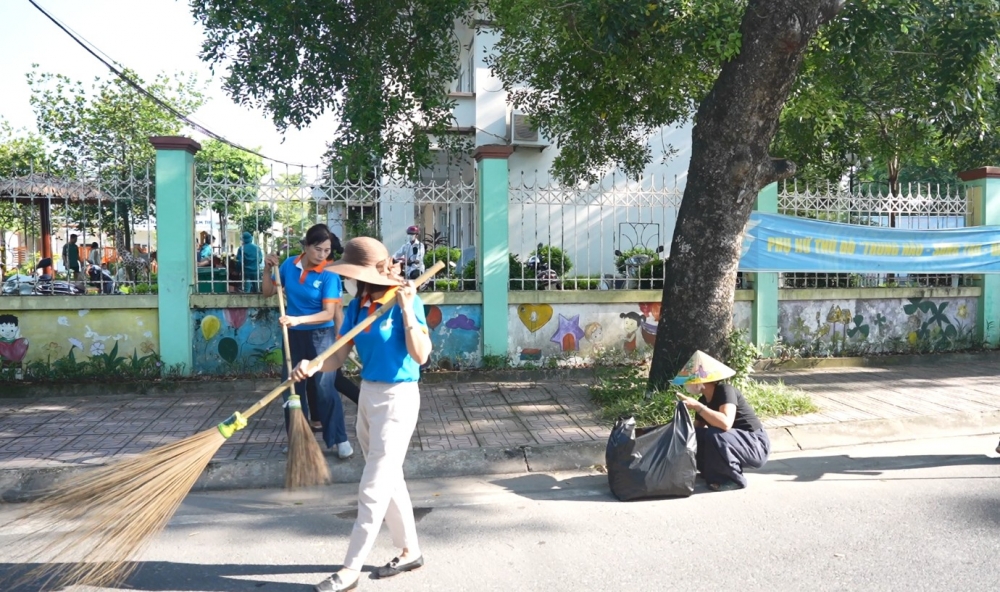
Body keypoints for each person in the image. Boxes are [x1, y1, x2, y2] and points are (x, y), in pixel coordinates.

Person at [292, 236, 430, 592]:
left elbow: (421, 355)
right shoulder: (358, 305)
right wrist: (312, 365)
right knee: (388, 478)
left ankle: (350, 569)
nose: (349, 280)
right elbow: (338, 356)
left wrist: (408, 310)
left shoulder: (404, 300)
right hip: (368, 395)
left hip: (399, 399)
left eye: (352, 274)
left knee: (372, 487)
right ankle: (410, 550)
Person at [262, 224, 353, 458]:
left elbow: (329, 314)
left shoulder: (329, 273)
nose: (323, 255)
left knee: (325, 388)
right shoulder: (289, 265)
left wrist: (297, 319)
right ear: (306, 246)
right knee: (293, 388)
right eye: (318, 249)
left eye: (327, 250)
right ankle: (298, 440)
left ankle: (339, 438)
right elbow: (268, 292)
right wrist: (266, 270)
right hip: (293, 335)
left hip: (322, 336)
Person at [673, 350, 770, 491]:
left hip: (755, 444)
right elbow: (695, 432)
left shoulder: (725, 391)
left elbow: (725, 423)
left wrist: (698, 407)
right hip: (733, 441)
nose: (688, 383)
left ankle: (733, 479)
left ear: (702, 380)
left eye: (692, 379)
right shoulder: (703, 400)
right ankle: (709, 472)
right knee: (698, 435)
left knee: (715, 434)